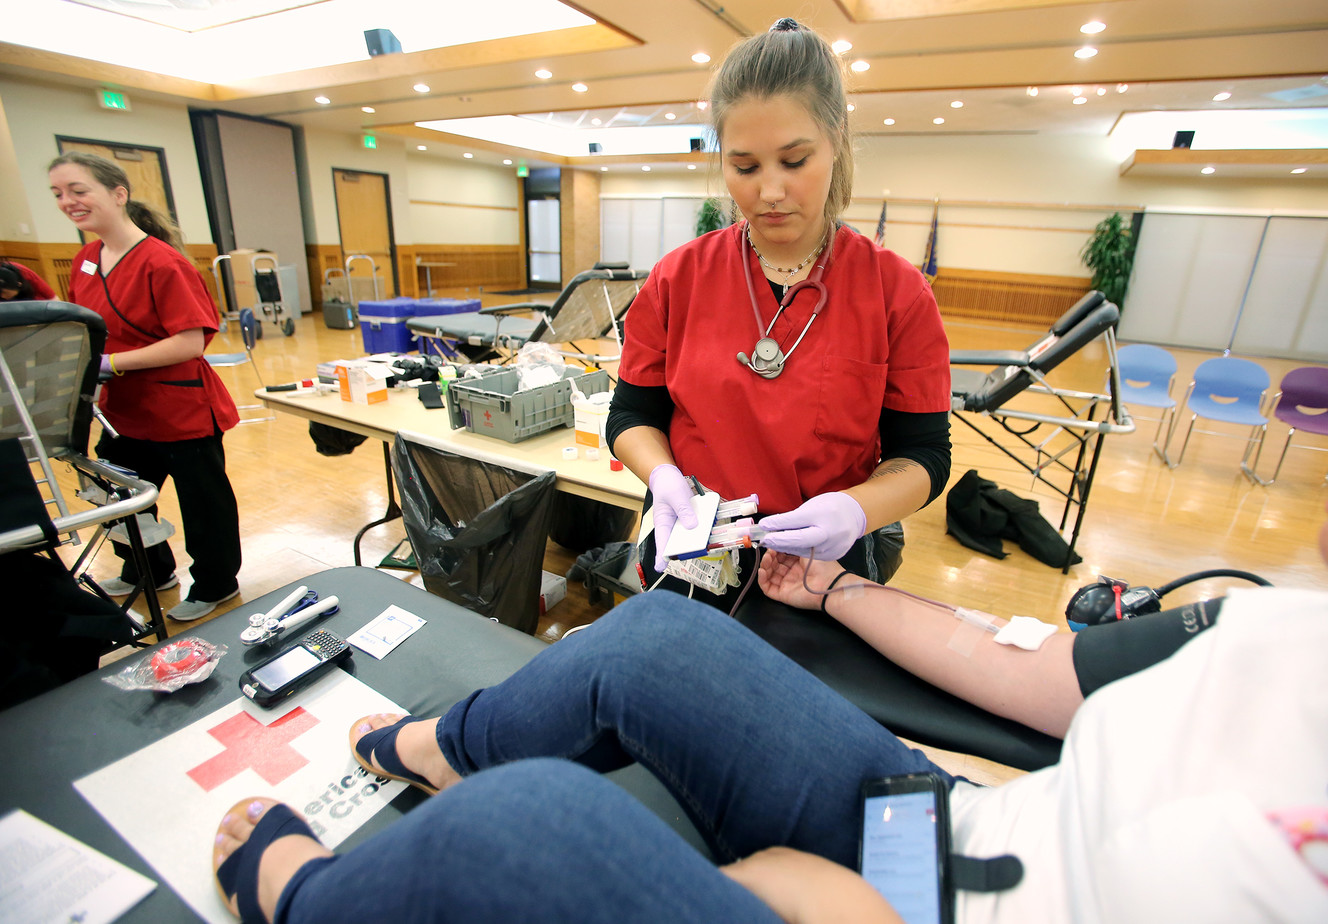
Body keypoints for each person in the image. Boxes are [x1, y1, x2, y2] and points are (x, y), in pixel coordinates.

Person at [211, 504, 1328, 922]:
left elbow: (915, 461)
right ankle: (438, 746)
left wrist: (845, 913)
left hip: (909, 910)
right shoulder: (1282, 627)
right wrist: (834, 587)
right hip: (961, 836)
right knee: (657, 634)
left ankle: (306, 901)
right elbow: (1036, 673)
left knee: (529, 829)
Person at [606, 19, 951, 611]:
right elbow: (633, 413)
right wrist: (662, 476)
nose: (769, 191)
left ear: (836, 139)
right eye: (744, 168)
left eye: (794, 161)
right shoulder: (678, 278)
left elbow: (923, 454)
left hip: (822, 562)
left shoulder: (896, 291)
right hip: (694, 550)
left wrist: (858, 508)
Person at [48, 151, 242, 621]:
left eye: (78, 190)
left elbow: (190, 341)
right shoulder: (86, 260)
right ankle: (148, 571)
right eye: (58, 194)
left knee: (203, 507)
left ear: (118, 194)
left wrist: (110, 363)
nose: (68, 201)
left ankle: (216, 583)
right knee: (118, 499)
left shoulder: (163, 263)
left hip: (180, 408)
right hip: (122, 411)